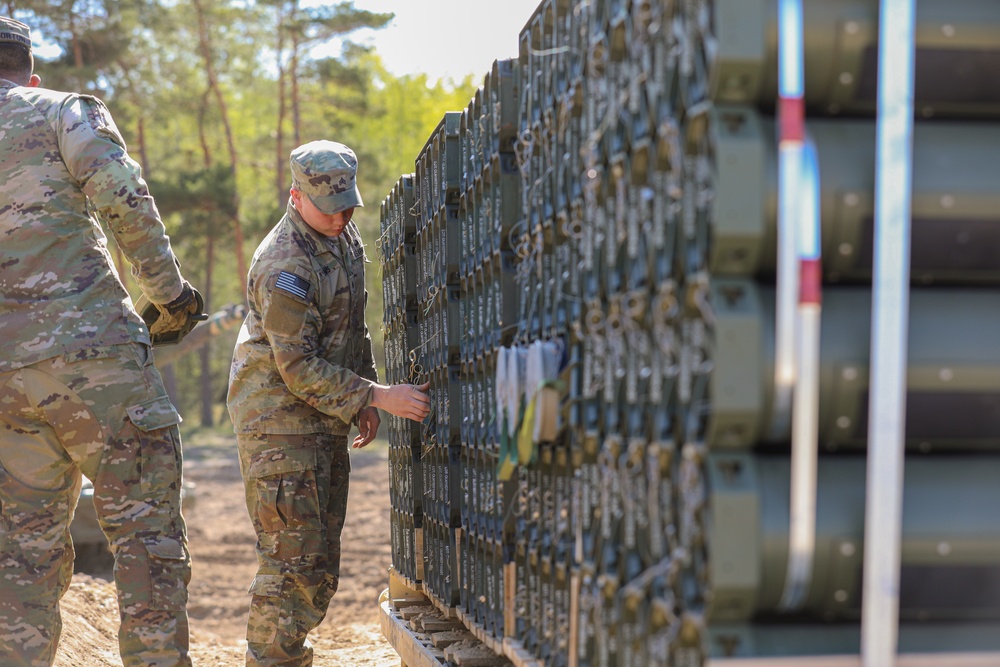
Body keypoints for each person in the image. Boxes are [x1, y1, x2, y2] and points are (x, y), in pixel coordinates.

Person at [0, 16, 204, 667]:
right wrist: (171, 296)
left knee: (19, 566)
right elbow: (126, 200)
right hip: (98, 363)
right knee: (147, 546)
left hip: (6, 385)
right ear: (29, 73)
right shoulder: (62, 109)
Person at [227, 140, 430, 667]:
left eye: (348, 206)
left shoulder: (341, 235)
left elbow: (351, 323)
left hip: (321, 416)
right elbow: (297, 367)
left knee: (317, 563)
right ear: (297, 197)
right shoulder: (283, 266)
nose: (341, 217)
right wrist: (376, 396)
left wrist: (361, 393)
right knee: (290, 562)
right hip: (279, 427)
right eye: (330, 207)